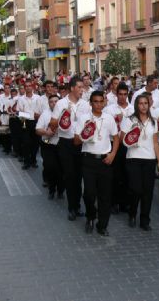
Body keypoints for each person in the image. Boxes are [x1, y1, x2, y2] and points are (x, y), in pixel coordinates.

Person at [74, 91, 119, 236]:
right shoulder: (84, 118)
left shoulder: (109, 118)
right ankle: (91, 216)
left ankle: (102, 225)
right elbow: (75, 141)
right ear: (90, 103)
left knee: (105, 195)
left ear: (104, 102)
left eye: (101, 101)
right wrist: (85, 133)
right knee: (89, 194)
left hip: (105, 160)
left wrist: (112, 154)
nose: (98, 104)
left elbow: (116, 138)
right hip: (88, 159)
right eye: (95, 101)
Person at [50, 77, 91, 221]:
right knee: (69, 175)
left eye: (83, 87)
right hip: (66, 143)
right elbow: (52, 124)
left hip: (80, 143)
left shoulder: (85, 104)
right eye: (79, 87)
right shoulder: (61, 103)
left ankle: (78, 205)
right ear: (72, 88)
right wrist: (62, 116)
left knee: (79, 176)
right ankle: (71, 208)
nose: (82, 90)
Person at [120, 94, 159, 231]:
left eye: (146, 103)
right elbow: (122, 139)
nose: (143, 106)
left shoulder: (153, 122)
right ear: (136, 105)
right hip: (133, 158)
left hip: (149, 160)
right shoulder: (129, 120)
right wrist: (132, 136)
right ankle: (132, 213)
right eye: (141, 103)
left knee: (148, 191)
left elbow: (155, 143)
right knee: (135, 189)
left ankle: (145, 220)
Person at [104, 82, 134, 214]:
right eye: (120, 94)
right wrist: (116, 120)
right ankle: (113, 202)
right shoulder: (110, 109)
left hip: (129, 146)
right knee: (115, 175)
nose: (122, 97)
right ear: (116, 95)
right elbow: (105, 127)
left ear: (128, 95)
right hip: (114, 144)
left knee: (128, 175)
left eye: (125, 94)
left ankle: (125, 203)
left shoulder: (133, 109)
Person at [36, 94, 64, 200]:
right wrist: (46, 131)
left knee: (62, 170)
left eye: (56, 101)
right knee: (50, 168)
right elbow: (37, 130)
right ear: (49, 104)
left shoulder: (65, 114)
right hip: (48, 144)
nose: (54, 103)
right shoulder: (45, 114)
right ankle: (52, 189)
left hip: (61, 145)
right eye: (51, 101)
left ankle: (61, 190)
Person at [17, 80, 41, 170]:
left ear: (32, 87)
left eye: (29, 85)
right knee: (26, 143)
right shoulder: (21, 99)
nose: (28, 87)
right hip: (25, 122)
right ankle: (26, 161)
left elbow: (41, 110)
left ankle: (33, 160)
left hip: (36, 122)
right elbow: (19, 112)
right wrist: (29, 115)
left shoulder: (38, 98)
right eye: (26, 86)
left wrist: (38, 116)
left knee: (35, 143)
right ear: (24, 87)